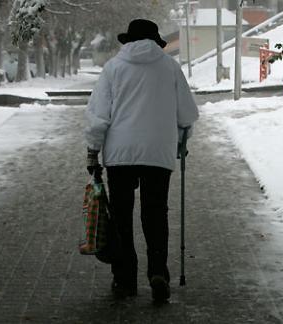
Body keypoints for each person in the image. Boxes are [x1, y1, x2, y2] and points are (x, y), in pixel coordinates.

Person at [84, 19, 199, 302]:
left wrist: (92, 150)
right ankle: (158, 272)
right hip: (158, 154)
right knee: (155, 214)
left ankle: (125, 280)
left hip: (119, 155)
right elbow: (187, 115)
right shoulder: (170, 67)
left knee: (122, 217)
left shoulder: (113, 68)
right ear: (155, 41)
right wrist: (182, 141)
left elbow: (99, 115)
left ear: (128, 41)